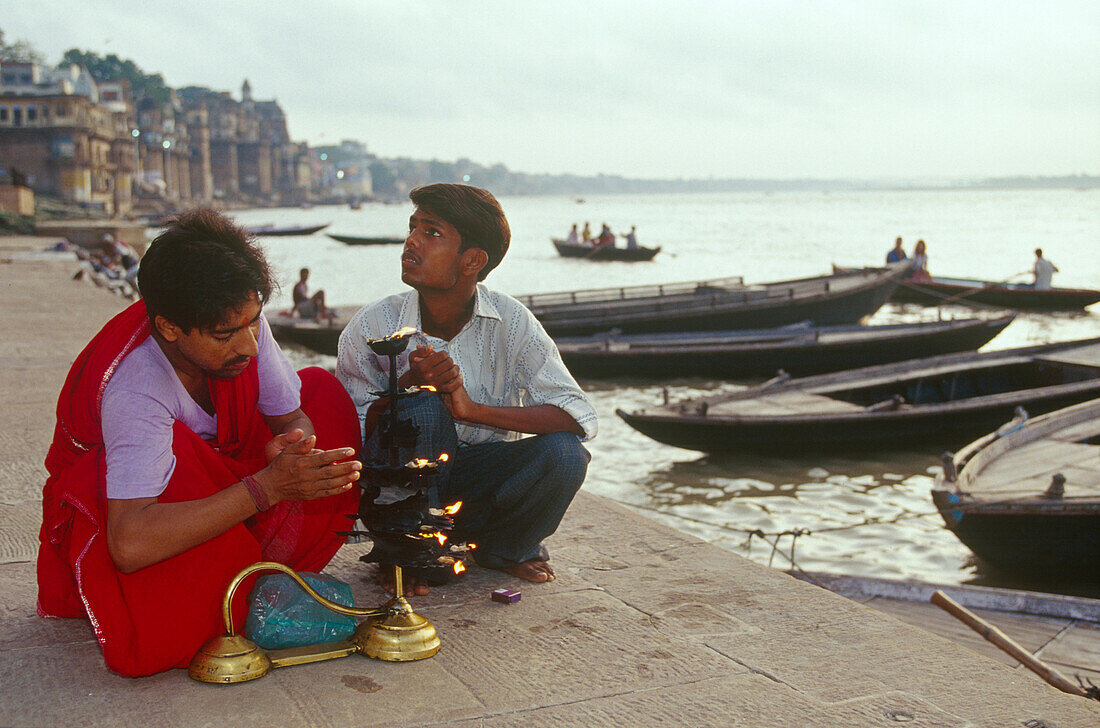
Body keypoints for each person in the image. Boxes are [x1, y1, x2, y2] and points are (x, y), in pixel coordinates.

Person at [37, 209, 363, 677]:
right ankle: (236, 582)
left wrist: (295, 448)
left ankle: (250, 568)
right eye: (226, 335)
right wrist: (265, 488)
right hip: (127, 513)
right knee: (182, 460)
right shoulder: (136, 388)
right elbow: (129, 543)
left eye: (254, 323)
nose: (250, 346)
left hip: (222, 482)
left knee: (323, 394)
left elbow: (292, 415)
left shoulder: (236, 319)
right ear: (169, 328)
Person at [337, 183, 597, 596]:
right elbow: (347, 434)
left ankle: (504, 549)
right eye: (412, 228)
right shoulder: (371, 325)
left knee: (565, 454)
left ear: (473, 260)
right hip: (402, 494)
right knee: (420, 408)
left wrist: (470, 409)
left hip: (479, 484)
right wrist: (406, 387)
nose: (411, 241)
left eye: (432, 233)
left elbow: (576, 414)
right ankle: (405, 553)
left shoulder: (512, 322)